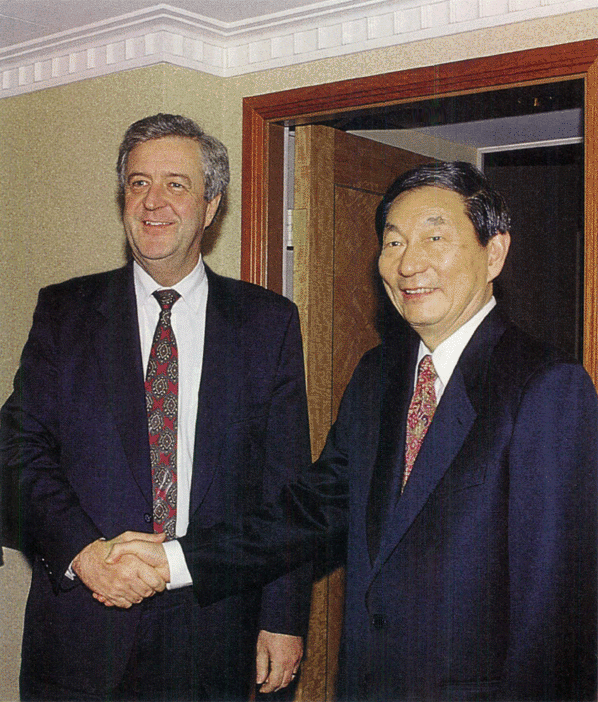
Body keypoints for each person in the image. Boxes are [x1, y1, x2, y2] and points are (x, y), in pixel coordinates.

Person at [109, 161, 598, 701]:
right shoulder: (377, 377)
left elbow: (556, 618)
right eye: (393, 243)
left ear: (495, 253)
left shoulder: (546, 388)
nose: (410, 263)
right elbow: (311, 510)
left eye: (435, 237)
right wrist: (175, 560)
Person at [0, 113, 312, 702]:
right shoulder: (65, 313)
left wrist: (283, 617)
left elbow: (286, 486)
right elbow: (15, 451)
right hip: (82, 629)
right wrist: (84, 555)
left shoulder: (267, 324)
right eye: (138, 183)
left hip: (215, 628)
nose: (153, 202)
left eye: (176, 184)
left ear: (212, 205)